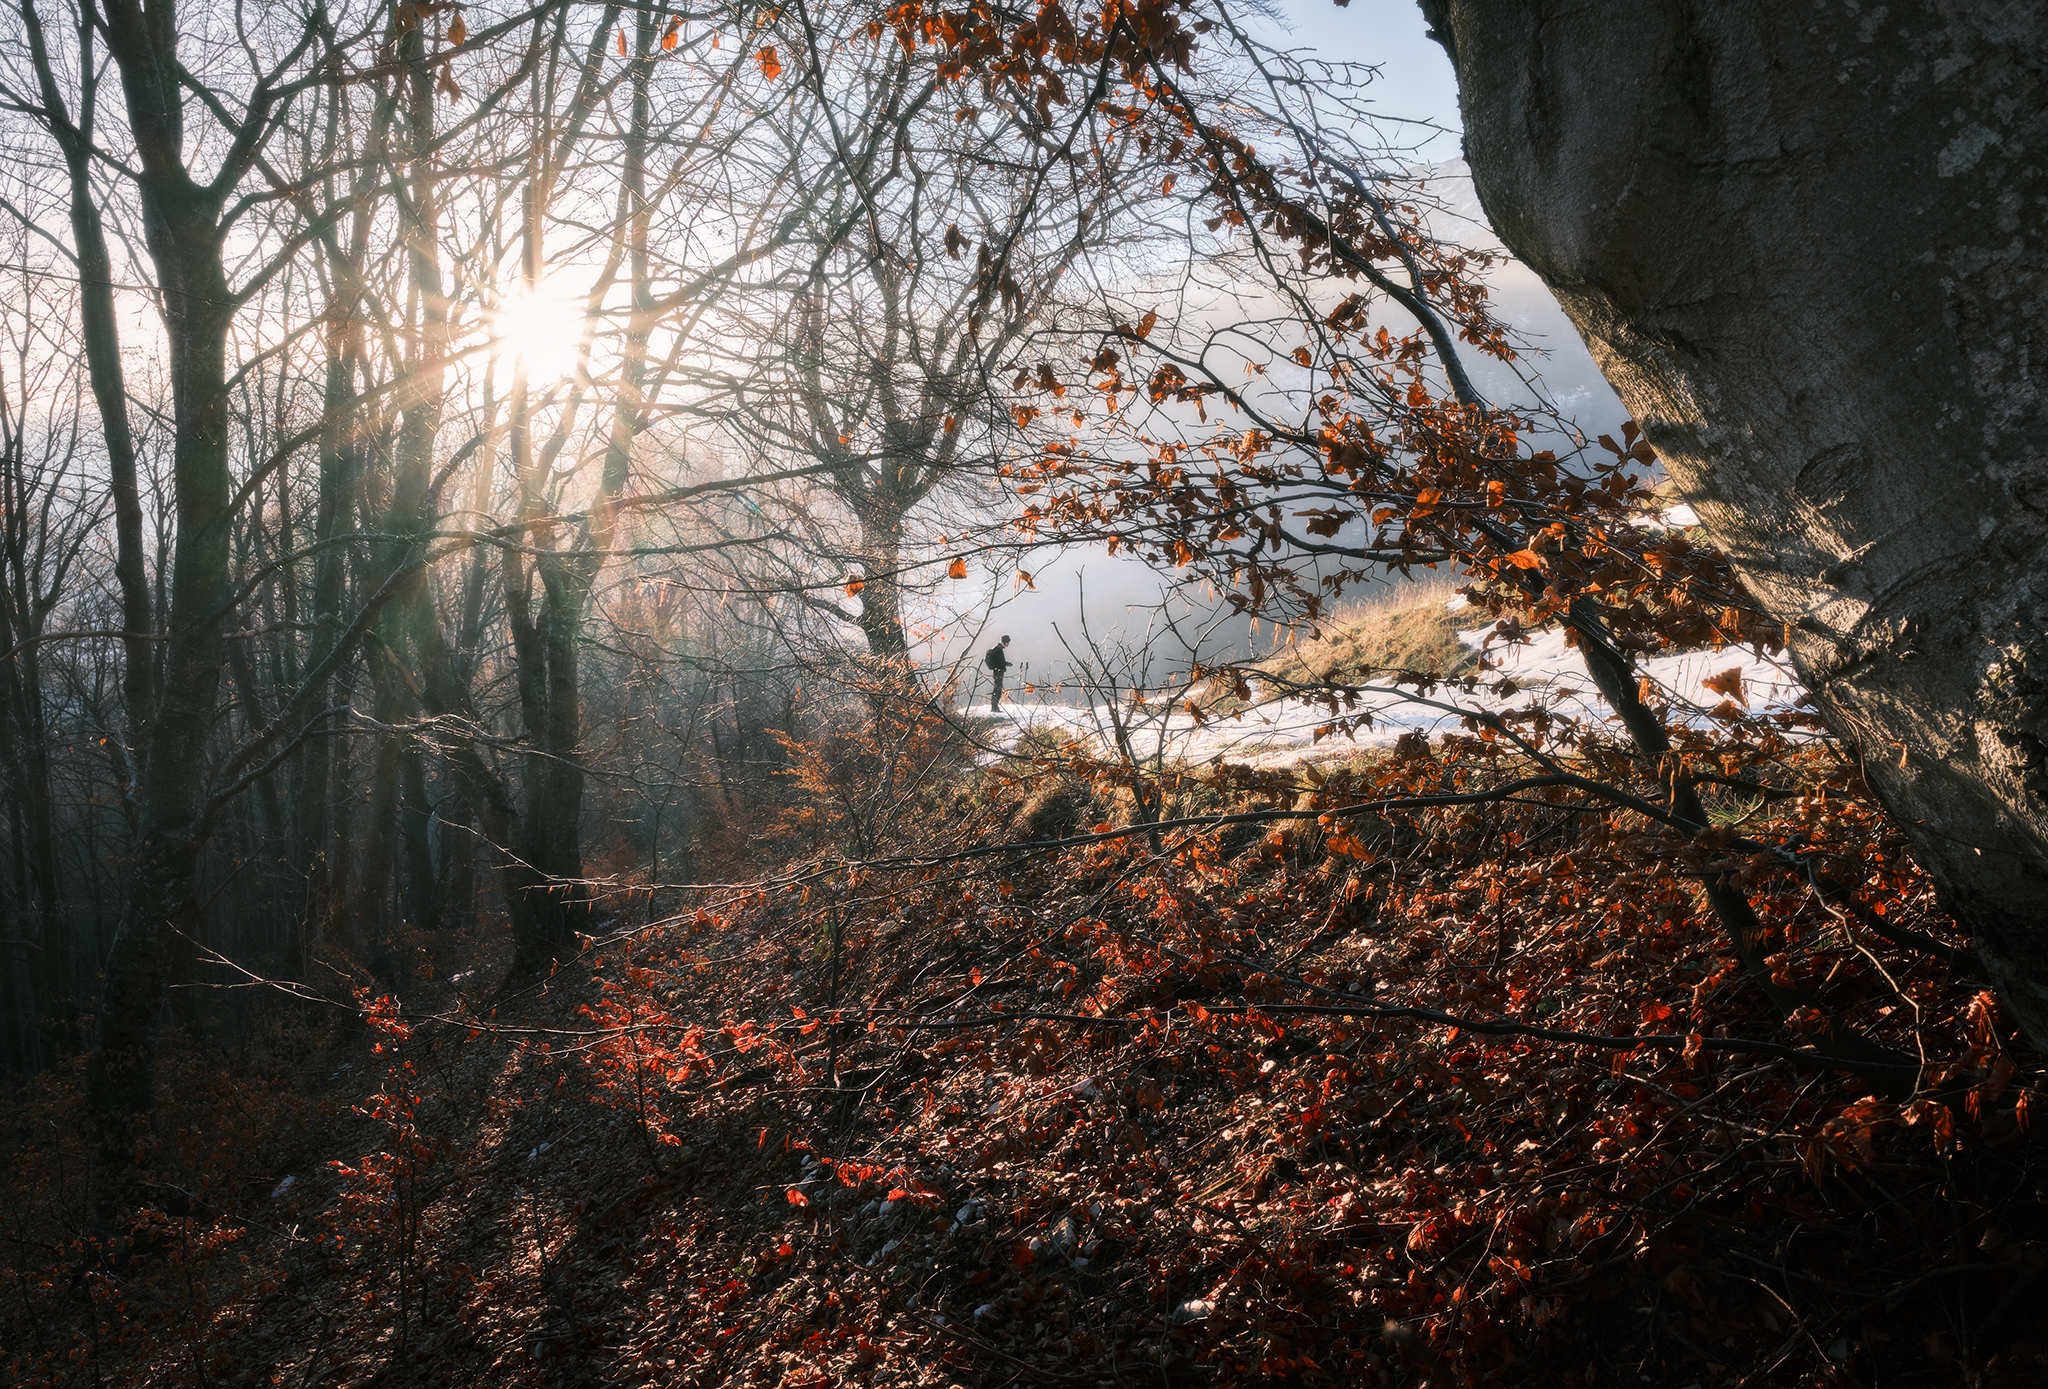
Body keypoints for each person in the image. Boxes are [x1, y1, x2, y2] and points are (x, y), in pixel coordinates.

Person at [984, 635, 1012, 711]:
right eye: (1007, 643)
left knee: (997, 689)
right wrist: (1006, 664)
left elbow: (999, 662)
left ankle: (994, 706)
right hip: (998, 672)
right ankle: (994, 707)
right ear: (1005, 642)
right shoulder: (998, 650)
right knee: (997, 689)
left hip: (997, 671)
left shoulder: (998, 649)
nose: (1008, 645)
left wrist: (1006, 664)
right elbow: (1000, 662)